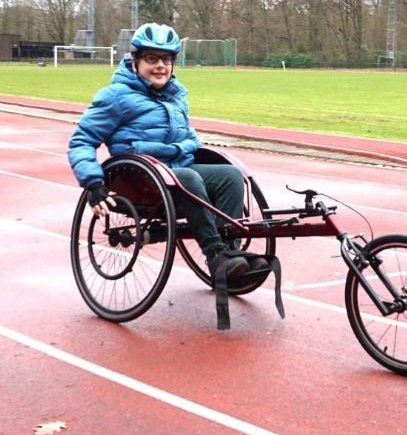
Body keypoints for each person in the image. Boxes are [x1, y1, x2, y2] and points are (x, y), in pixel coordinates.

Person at [68, 22, 263, 281]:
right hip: (141, 179)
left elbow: (188, 136)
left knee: (230, 176)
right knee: (187, 178)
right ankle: (215, 254)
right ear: (136, 61)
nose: (161, 65)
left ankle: (230, 253)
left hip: (178, 169)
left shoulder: (175, 97)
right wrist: (93, 183)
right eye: (152, 58)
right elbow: (81, 140)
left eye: (166, 59)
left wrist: (190, 145)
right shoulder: (115, 96)